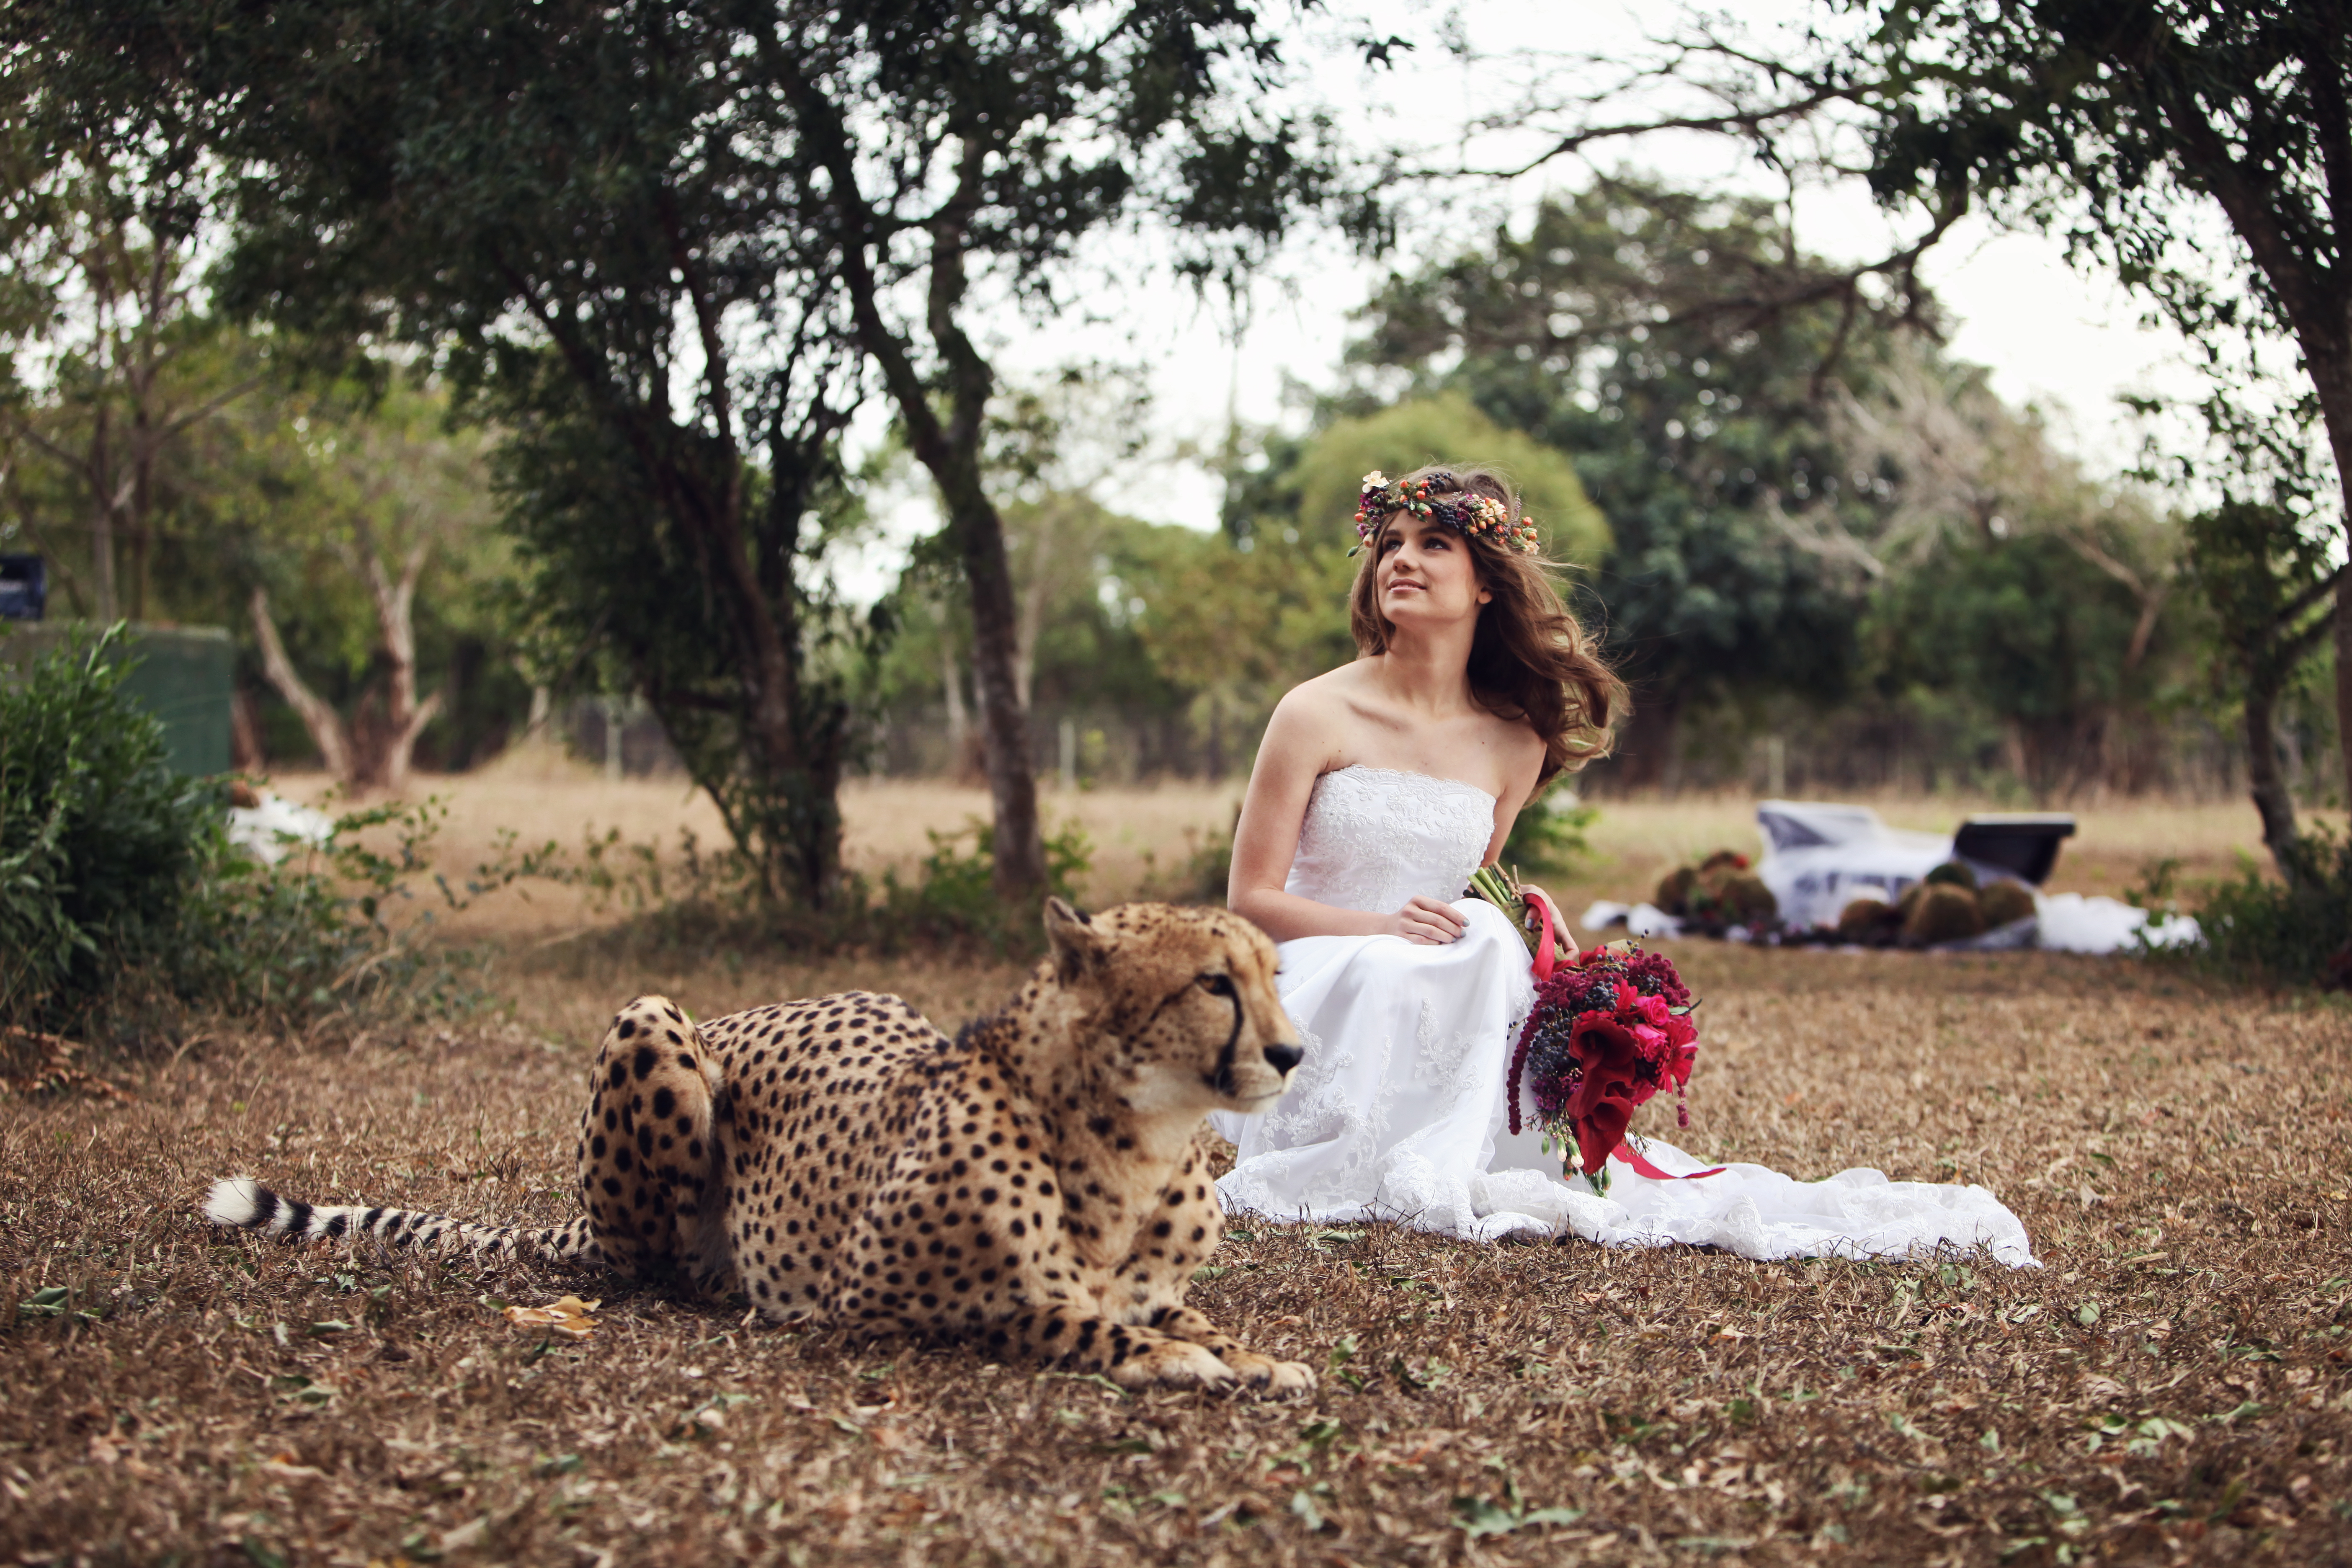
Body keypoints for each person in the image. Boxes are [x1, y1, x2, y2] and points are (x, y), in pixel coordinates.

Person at [1210, 464, 2035, 1264]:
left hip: (1437, 966)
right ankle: (1353, 1150)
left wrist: (1517, 899)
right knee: (1414, 963)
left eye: (1433, 545)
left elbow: (1463, 880)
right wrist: (1380, 926)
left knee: (1490, 943)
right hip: (1317, 966)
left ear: (1488, 582)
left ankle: (1449, 1149)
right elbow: (1250, 900)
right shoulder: (1314, 711)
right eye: (1390, 542)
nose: (1401, 559)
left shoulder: (1514, 740)